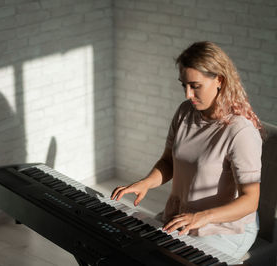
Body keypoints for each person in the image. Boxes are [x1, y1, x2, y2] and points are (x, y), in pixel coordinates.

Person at [111, 41, 264, 260]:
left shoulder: (240, 132)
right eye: (183, 85)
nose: (187, 94)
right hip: (184, 217)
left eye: (195, 86)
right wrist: (146, 182)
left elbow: (251, 201)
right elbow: (168, 162)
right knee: (130, 247)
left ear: (219, 80)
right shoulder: (185, 112)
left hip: (224, 228)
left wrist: (201, 217)